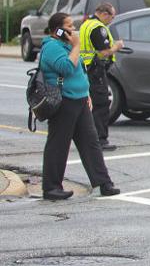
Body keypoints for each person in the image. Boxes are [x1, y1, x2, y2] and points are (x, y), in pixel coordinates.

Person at [38, 12, 120, 200]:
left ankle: (104, 182)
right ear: (56, 29)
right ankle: (51, 187)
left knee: (91, 143)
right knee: (58, 144)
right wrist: (76, 46)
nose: (72, 29)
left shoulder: (66, 45)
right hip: (63, 101)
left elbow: (80, 71)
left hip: (80, 99)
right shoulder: (51, 47)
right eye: (68, 26)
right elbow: (66, 68)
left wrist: (87, 93)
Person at [78, 2, 123, 151]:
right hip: (95, 69)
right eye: (112, 17)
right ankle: (100, 140)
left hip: (85, 68)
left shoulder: (86, 24)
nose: (112, 20)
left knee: (89, 104)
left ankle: (88, 138)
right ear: (104, 14)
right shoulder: (98, 28)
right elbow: (104, 52)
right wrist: (116, 46)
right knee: (101, 103)